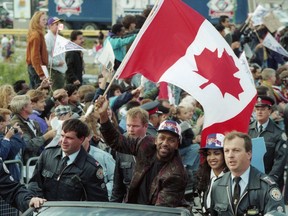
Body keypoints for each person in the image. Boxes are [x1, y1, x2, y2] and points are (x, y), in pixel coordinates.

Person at [97, 95, 187, 207]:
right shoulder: (145, 144)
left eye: (171, 140)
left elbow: (161, 211)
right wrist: (103, 115)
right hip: (132, 208)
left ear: (177, 144)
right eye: (162, 138)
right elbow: (116, 141)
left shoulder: (176, 174)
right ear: (155, 139)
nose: (165, 143)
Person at [28, 118, 108, 201]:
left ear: (81, 139)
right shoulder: (47, 155)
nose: (63, 141)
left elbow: (98, 202)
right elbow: (34, 182)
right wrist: (36, 198)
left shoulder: (91, 168)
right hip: (46, 211)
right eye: (62, 136)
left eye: (69, 138)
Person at [210, 131, 285, 215]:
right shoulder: (217, 185)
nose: (230, 155)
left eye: (236, 150)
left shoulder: (266, 187)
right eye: (226, 151)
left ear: (249, 154)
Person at [248, 95, 287, 190]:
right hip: (250, 178)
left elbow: (280, 160)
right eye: (257, 109)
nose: (259, 112)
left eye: (263, 109)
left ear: (269, 111)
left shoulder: (278, 133)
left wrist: (270, 180)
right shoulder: (248, 130)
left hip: (270, 180)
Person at [110, 107, 148, 203]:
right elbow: (118, 186)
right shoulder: (121, 149)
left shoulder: (154, 146)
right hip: (130, 204)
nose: (131, 130)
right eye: (128, 125)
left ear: (145, 126)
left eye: (135, 126)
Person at [9, 95, 56, 165]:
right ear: (24, 107)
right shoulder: (16, 124)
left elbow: (42, 143)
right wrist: (47, 135)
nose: (32, 106)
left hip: (36, 161)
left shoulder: (33, 122)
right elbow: (28, 145)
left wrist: (49, 129)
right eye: (30, 104)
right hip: (25, 165)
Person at [197, 133, 228, 215]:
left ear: (225, 154)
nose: (212, 158)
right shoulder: (201, 176)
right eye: (209, 154)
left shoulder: (233, 177)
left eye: (216, 153)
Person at [0, 108, 25, 182]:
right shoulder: (5, 136)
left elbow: (22, 148)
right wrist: (8, 137)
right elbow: (4, 154)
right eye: (8, 121)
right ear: (1, 123)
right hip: (5, 177)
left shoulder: (5, 134)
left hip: (12, 173)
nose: (10, 123)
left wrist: (19, 136)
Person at [26, 11, 49, 89]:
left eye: (46, 20)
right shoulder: (36, 35)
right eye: (43, 20)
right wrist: (41, 73)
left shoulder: (38, 34)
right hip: (36, 68)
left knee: (36, 92)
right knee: (39, 94)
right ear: (37, 21)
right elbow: (35, 56)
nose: (46, 22)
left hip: (37, 67)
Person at [45, 17, 67, 91]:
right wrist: (57, 63)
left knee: (60, 91)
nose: (59, 26)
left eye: (59, 24)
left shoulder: (57, 37)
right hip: (54, 70)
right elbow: (46, 56)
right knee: (56, 92)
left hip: (60, 70)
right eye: (56, 24)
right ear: (50, 26)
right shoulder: (48, 38)